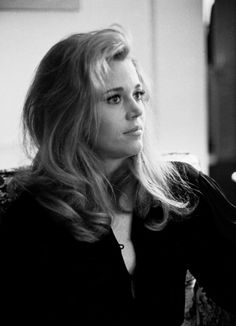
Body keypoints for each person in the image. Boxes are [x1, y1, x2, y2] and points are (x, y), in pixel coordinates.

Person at [0, 26, 236, 326]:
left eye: (138, 93)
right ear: (71, 114)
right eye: (114, 98)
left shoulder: (177, 191)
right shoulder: (32, 220)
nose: (137, 109)